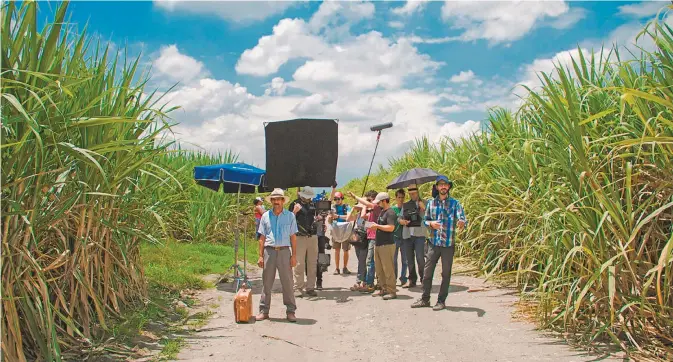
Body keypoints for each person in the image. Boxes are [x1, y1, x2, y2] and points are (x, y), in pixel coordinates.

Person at [411, 176, 467, 311]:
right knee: (427, 273)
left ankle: (441, 301)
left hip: (448, 244)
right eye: (440, 185)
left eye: (445, 185)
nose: (443, 187)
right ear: (436, 187)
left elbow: (462, 218)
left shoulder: (455, 203)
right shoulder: (431, 203)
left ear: (448, 187)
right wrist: (431, 223)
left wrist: (461, 222)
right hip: (433, 243)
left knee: (446, 274)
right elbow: (425, 220)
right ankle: (425, 299)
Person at [256, 188, 298, 322]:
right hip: (269, 251)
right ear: (272, 201)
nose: (276, 202)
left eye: (278, 199)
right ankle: (264, 311)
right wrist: (261, 255)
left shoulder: (290, 216)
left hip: (285, 251)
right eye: (274, 200)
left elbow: (293, 237)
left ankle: (291, 311)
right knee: (267, 282)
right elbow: (261, 238)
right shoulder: (265, 216)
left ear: (283, 201)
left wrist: (294, 256)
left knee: (287, 282)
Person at [366, 192, 398, 300]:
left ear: (384, 201)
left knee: (388, 269)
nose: (377, 204)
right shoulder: (382, 212)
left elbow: (391, 227)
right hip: (379, 244)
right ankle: (383, 289)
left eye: (379, 202)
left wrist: (377, 226)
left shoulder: (391, 213)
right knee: (379, 269)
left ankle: (392, 291)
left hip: (387, 244)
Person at [289, 186, 319, 297]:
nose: (308, 199)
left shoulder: (313, 205)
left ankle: (310, 287)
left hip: (312, 236)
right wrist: (294, 212)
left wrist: (319, 218)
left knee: (312, 263)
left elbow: (317, 217)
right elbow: (288, 220)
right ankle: (298, 287)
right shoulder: (294, 203)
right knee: (299, 263)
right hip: (299, 237)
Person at [349, 190, 380, 293]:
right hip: (360, 238)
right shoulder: (369, 212)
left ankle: (366, 282)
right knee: (363, 261)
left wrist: (362, 204)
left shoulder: (374, 210)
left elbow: (364, 218)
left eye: (368, 200)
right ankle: (364, 281)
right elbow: (351, 218)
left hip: (367, 238)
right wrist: (355, 207)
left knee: (367, 261)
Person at [399, 183, 426, 288]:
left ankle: (424, 279)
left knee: (420, 258)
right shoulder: (405, 205)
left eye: (414, 193)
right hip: (407, 235)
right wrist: (402, 221)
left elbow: (431, 216)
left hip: (419, 234)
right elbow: (399, 218)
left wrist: (424, 209)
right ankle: (412, 280)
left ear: (418, 192)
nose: (412, 195)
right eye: (410, 194)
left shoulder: (425, 203)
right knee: (409, 259)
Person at [330, 189, 351, 275]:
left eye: (338, 199)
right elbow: (329, 219)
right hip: (335, 230)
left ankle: (345, 267)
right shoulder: (332, 208)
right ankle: (337, 268)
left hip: (345, 230)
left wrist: (338, 216)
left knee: (346, 250)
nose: (337, 201)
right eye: (335, 199)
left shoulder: (347, 206)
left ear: (342, 198)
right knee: (337, 250)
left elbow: (349, 217)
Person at [392, 189, 408, 286]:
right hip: (394, 236)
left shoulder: (406, 208)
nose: (401, 199)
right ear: (396, 198)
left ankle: (403, 278)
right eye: (399, 197)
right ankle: (393, 278)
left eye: (402, 197)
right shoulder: (393, 210)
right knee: (394, 260)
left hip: (405, 237)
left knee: (405, 259)